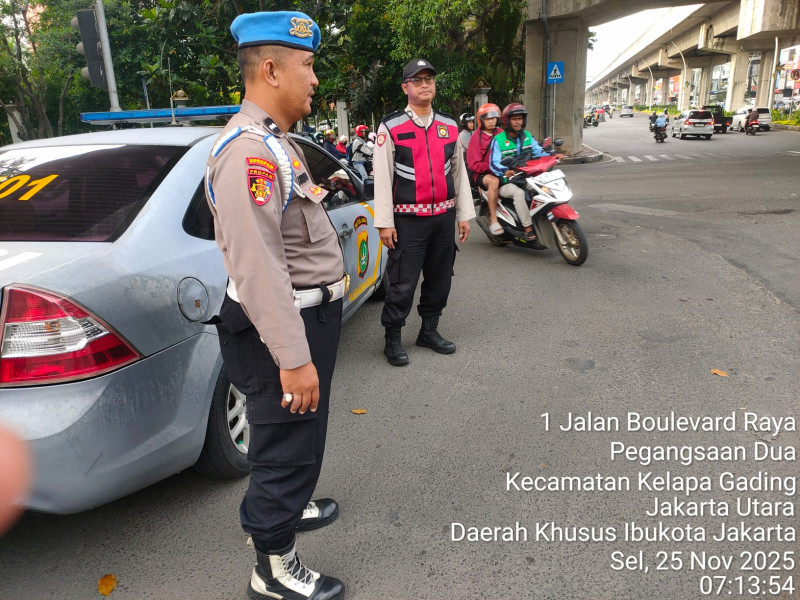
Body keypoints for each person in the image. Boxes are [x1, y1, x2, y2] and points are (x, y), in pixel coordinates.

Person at [204, 11, 346, 600]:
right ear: (270, 70)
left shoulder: (274, 143)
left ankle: (290, 507)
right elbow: (258, 266)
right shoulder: (250, 154)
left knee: (296, 436)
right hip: (282, 327)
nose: (314, 78)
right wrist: (292, 356)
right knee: (286, 448)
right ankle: (273, 565)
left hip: (304, 316)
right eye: (307, 65)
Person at [373, 58, 475, 366]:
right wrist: (384, 223)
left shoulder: (449, 125)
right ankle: (392, 338)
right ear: (405, 87)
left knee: (440, 278)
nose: (424, 85)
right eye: (417, 80)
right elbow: (383, 176)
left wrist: (463, 215)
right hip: (407, 221)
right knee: (402, 281)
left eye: (429, 79)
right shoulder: (391, 126)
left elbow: (459, 173)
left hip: (443, 218)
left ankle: (429, 332)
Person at [489, 103, 559, 242]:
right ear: (507, 121)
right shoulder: (498, 140)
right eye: (514, 119)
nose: (518, 122)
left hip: (526, 177)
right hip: (506, 181)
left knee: (545, 188)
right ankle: (527, 228)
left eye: (520, 118)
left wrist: (553, 154)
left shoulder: (526, 136)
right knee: (519, 194)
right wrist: (505, 170)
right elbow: (493, 163)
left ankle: (548, 217)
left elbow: (538, 151)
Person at [466, 102, 503, 235]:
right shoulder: (476, 138)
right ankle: (494, 219)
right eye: (488, 119)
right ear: (481, 121)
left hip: (501, 170)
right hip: (482, 174)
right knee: (494, 182)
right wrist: (493, 167)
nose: (491, 121)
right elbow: (473, 164)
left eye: (493, 118)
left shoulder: (501, 133)